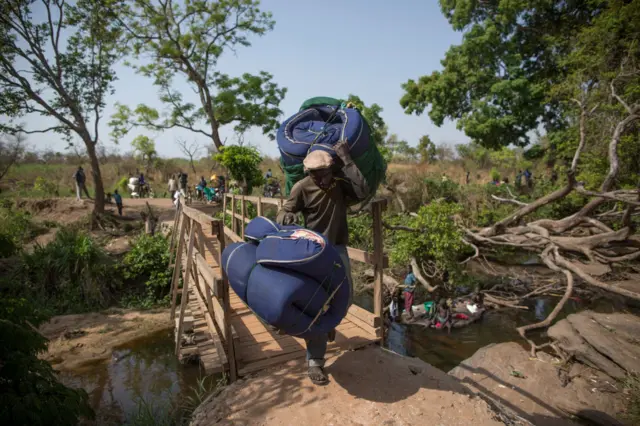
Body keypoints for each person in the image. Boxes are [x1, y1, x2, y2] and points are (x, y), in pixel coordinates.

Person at [276, 140, 368, 385]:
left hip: (337, 248)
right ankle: (315, 361)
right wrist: (286, 215)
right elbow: (284, 209)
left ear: (331, 170)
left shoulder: (340, 184)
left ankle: (330, 322)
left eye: (324, 174)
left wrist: (347, 159)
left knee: (346, 298)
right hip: (313, 251)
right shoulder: (302, 187)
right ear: (309, 173)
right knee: (314, 306)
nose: (321, 180)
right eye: (315, 175)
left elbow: (362, 192)